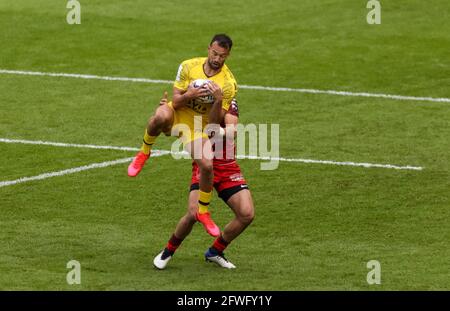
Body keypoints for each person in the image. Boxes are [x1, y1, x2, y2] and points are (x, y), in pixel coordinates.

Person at [127, 34, 238, 237]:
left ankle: (203, 211)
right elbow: (177, 101)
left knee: (206, 165)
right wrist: (190, 95)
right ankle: (144, 152)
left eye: (222, 56)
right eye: (214, 53)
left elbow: (214, 124)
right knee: (159, 116)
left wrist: (217, 100)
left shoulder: (229, 84)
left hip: (197, 126)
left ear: (227, 55)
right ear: (208, 49)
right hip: (178, 113)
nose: (217, 59)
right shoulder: (188, 66)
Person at [153, 96, 255, 269]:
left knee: (246, 214)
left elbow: (232, 131)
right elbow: (169, 131)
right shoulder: (194, 101)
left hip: (227, 167)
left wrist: (212, 130)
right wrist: (164, 115)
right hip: (203, 165)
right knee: (193, 214)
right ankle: (168, 251)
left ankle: (215, 251)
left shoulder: (228, 99)